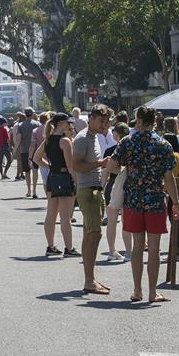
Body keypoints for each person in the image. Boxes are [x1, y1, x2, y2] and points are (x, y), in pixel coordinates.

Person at [109, 106, 179, 303]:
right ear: (154, 121)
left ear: (138, 120)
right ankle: (152, 292)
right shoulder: (164, 144)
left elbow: (112, 166)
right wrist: (176, 202)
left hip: (132, 199)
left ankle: (137, 290)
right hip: (155, 199)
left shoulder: (127, 142)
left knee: (138, 246)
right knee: (154, 248)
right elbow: (168, 177)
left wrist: (129, 169)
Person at [70, 104, 114, 295]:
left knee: (91, 233)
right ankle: (89, 280)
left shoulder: (93, 137)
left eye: (106, 122)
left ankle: (90, 279)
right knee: (94, 234)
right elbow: (76, 166)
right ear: (92, 119)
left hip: (93, 190)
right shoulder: (82, 139)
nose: (105, 125)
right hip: (88, 191)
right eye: (102, 121)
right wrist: (101, 163)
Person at [33, 113, 77, 257]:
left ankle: (50, 246)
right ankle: (69, 248)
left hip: (52, 178)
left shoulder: (48, 140)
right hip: (64, 178)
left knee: (51, 214)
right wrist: (77, 181)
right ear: (60, 124)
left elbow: (36, 158)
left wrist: (50, 167)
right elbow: (70, 166)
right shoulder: (65, 141)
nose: (70, 125)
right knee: (65, 217)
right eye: (67, 123)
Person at [104, 122, 132, 262]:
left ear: (116, 134)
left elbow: (107, 170)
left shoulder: (111, 150)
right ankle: (128, 252)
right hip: (128, 186)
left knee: (111, 221)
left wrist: (101, 187)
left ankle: (111, 250)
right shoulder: (132, 148)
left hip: (113, 185)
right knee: (126, 221)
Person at [15, 108, 37, 196]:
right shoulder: (37, 124)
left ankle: (29, 190)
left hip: (24, 150)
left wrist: (14, 151)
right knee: (35, 170)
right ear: (32, 114)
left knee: (27, 171)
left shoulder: (20, 125)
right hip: (35, 150)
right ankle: (35, 191)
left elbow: (18, 139)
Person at [30, 112, 49, 199]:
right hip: (52, 156)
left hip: (41, 157)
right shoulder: (51, 129)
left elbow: (33, 145)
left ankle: (47, 196)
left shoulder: (35, 131)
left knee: (45, 180)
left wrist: (30, 157)